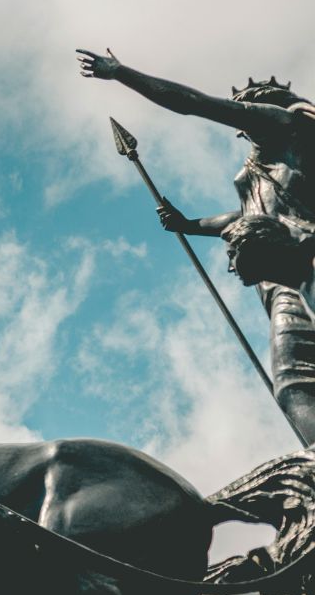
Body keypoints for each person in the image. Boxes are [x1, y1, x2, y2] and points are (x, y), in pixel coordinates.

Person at [78, 48, 315, 440]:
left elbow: (194, 105)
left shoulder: (285, 127)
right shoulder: (260, 169)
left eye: (244, 108)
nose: (240, 116)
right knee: (293, 385)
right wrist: (190, 224)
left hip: (306, 260)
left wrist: (121, 73)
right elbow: (247, 216)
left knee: (296, 380)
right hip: (279, 286)